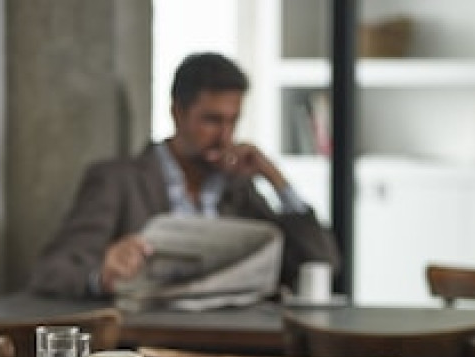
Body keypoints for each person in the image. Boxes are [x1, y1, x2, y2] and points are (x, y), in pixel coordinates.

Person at [29, 52, 340, 299]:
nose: (225, 136)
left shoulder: (238, 188)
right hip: (149, 342)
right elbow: (50, 272)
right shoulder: (118, 180)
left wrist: (276, 179)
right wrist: (101, 276)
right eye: (212, 120)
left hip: (237, 342)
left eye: (233, 121)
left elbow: (324, 262)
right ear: (177, 113)